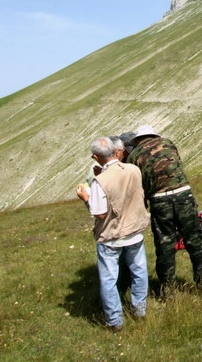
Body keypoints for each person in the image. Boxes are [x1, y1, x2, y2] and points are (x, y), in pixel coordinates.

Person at [123, 125, 202, 294]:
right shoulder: (168, 143)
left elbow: (140, 183)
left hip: (159, 200)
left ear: (137, 140)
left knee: (165, 244)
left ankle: (167, 290)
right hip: (183, 195)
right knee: (194, 240)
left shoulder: (134, 155)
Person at [76, 137, 150, 330]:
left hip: (112, 236)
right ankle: (140, 310)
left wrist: (85, 198)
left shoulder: (99, 181)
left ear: (95, 156)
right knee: (139, 271)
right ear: (116, 151)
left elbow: (100, 214)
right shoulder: (133, 170)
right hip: (135, 231)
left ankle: (115, 321)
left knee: (109, 279)